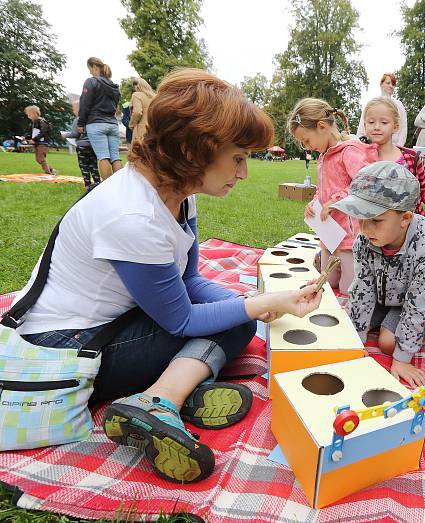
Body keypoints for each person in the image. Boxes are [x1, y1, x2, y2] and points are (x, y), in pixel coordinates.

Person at [12, 69, 323, 483]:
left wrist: (243, 298)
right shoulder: (134, 216)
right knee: (237, 320)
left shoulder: (177, 194)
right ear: (195, 151)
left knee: (236, 314)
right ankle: (160, 400)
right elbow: (181, 320)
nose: (244, 173)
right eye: (237, 158)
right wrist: (259, 304)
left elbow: (190, 281)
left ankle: (177, 388)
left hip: (110, 324)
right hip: (68, 347)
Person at [332, 161, 425, 387]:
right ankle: (383, 320)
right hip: (387, 292)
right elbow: (363, 287)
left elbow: (422, 305)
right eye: (360, 218)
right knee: (348, 325)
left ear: (405, 218)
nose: (365, 229)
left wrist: (402, 359)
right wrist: (356, 344)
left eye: (376, 220)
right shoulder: (365, 239)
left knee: (388, 343)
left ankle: (395, 326)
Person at [288, 98, 377, 295]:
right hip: (329, 233)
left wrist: (335, 201)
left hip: (347, 235)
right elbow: (323, 189)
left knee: (347, 288)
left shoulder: (350, 151)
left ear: (322, 127)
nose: (308, 147)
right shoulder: (324, 156)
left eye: (307, 140)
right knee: (327, 282)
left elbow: (364, 185)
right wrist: (314, 202)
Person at [362, 96, 425, 222]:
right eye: (371, 122)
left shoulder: (411, 157)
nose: (376, 127)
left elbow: (424, 189)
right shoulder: (361, 160)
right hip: (378, 232)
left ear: (396, 126)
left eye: (384, 122)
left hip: (412, 228)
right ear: (365, 126)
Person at [78, 57, 121, 180]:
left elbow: (85, 104)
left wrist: (81, 123)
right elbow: (116, 106)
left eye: (90, 69)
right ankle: (119, 187)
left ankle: (107, 189)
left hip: (96, 124)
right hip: (113, 124)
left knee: (103, 157)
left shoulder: (91, 82)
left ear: (94, 67)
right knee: (115, 157)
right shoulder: (114, 86)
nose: (90, 72)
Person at [357, 73, 408, 146]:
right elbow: (362, 128)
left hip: (394, 148)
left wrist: (399, 147)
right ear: (381, 84)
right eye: (388, 83)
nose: (391, 86)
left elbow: (403, 128)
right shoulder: (372, 104)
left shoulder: (399, 105)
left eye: (393, 84)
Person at [63, 100, 101, 191]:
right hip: (93, 146)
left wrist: (65, 135)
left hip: (82, 146)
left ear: (79, 110)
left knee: (84, 166)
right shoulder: (92, 119)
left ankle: (87, 185)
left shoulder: (78, 120)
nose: (73, 111)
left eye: (74, 109)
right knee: (93, 165)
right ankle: (97, 183)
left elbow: (75, 134)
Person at [22, 105, 55, 175]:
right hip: (37, 143)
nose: (28, 116)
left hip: (43, 143)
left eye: (29, 115)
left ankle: (48, 172)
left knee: (40, 158)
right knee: (38, 159)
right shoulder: (33, 123)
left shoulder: (42, 122)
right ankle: (51, 170)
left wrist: (34, 139)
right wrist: (25, 137)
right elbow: (31, 133)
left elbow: (43, 132)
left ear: (35, 113)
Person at [129, 77, 155, 145]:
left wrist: (132, 125)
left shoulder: (136, 95)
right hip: (153, 130)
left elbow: (137, 112)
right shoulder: (154, 97)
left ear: (137, 86)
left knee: (138, 152)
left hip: (141, 129)